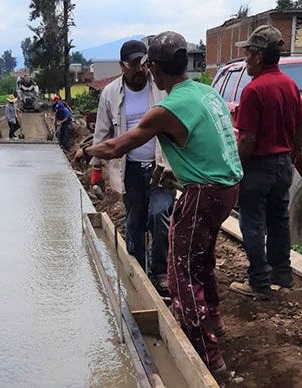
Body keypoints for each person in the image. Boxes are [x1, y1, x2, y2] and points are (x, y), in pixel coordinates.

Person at [74, 31, 243, 373]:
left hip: (203, 192)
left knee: (180, 272)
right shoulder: (206, 93)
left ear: (153, 68)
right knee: (201, 259)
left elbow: (115, 147)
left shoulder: (166, 109)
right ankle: (213, 321)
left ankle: (206, 358)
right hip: (228, 187)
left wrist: (85, 150)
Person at [229, 25, 302, 298]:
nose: (245, 60)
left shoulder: (253, 91)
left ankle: (259, 283)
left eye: (248, 54)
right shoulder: (290, 85)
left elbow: (248, 139)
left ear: (260, 56)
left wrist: (237, 169)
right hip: (283, 164)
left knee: (251, 223)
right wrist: (293, 154)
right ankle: (282, 275)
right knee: (278, 219)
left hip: (259, 167)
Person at [90, 39, 175, 291]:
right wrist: (96, 167)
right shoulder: (110, 94)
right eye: (134, 65)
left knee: (159, 215)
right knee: (135, 221)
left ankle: (160, 272)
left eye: (144, 64)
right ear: (122, 66)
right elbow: (102, 132)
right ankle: (138, 272)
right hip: (131, 170)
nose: (140, 70)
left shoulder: (160, 88)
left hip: (162, 167)